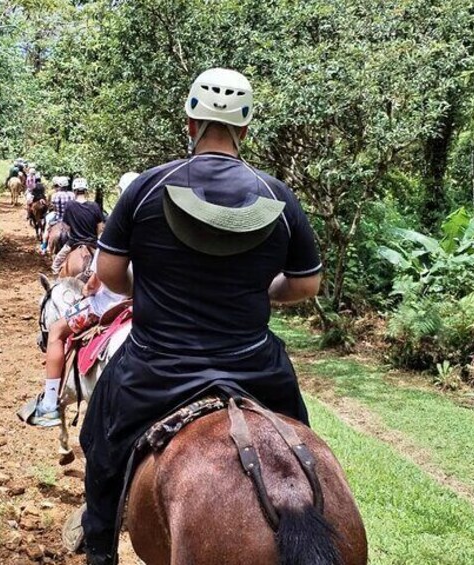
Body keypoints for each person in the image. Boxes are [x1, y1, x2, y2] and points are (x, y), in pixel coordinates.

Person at [76, 68, 323, 564]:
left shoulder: (147, 187)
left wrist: (146, 288)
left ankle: (99, 545)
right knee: (298, 440)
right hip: (255, 363)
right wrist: (263, 289)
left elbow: (109, 271)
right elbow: (305, 284)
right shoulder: (278, 196)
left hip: (157, 364)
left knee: (98, 440)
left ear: (190, 122)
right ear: (246, 129)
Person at [23, 248, 130, 427]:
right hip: (145, 302)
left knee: (56, 331)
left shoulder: (119, 230)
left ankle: (49, 404)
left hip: (104, 305)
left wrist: (86, 290)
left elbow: (95, 283)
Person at [51, 177, 104, 275]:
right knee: (106, 268)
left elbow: (66, 228)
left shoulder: (69, 205)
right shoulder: (95, 206)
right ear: (86, 191)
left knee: (56, 265)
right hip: (92, 243)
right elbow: (100, 228)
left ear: (74, 191)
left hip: (73, 242)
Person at [41, 176, 74, 254]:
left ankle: (44, 246)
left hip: (58, 218)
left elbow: (54, 207)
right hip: (70, 220)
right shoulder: (72, 194)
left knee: (47, 228)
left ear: (59, 185)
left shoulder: (55, 195)